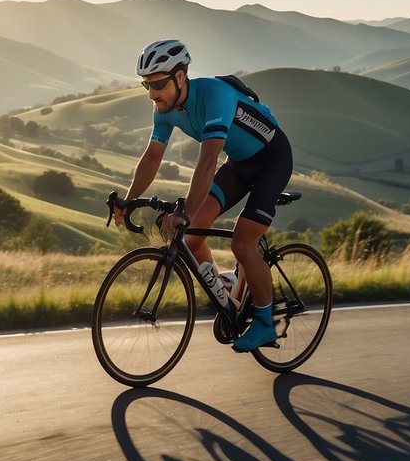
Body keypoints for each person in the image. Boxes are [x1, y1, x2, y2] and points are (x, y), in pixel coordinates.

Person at [112, 39, 294, 352]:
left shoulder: (215, 95)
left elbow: (208, 161)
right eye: (146, 85)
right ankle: (228, 295)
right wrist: (128, 201)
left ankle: (264, 324)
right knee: (192, 238)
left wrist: (186, 212)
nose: (152, 94)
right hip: (239, 165)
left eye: (157, 84)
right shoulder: (165, 110)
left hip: (272, 160)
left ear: (180, 77)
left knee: (242, 241)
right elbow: (152, 157)